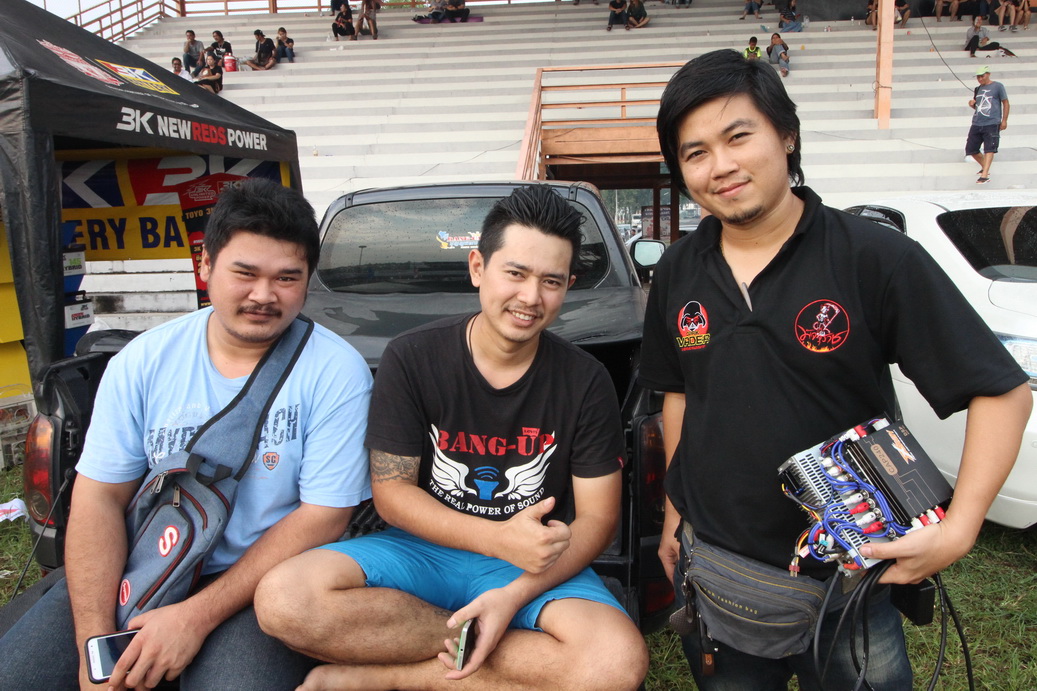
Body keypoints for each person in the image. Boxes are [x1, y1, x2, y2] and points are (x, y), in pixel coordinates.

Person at [644, 49, 1030, 690]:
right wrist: (673, 515)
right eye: (696, 152)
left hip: (853, 578)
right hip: (717, 571)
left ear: (786, 135)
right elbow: (680, 394)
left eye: (738, 136)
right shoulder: (678, 270)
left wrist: (961, 527)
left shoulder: (875, 257)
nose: (721, 166)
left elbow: (1002, 392)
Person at [254, 184, 650, 691]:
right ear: (478, 268)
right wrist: (495, 537)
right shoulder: (412, 357)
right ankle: (490, 652)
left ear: (568, 285)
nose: (531, 297)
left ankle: (386, 678)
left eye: (551, 281)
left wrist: (513, 594)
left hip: (532, 564)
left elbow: (598, 518)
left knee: (616, 664)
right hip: (423, 550)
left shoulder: (585, 379)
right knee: (285, 599)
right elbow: (392, 494)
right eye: (515, 273)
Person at [0, 179, 374, 690]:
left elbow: (322, 516)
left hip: (255, 582)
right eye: (245, 273)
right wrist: (94, 646)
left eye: (287, 278)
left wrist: (194, 618)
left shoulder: (336, 372)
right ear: (206, 265)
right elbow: (99, 497)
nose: (264, 295)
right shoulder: (144, 361)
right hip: (147, 562)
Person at [968, 65, 1009, 184]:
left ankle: (984, 174)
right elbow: (979, 107)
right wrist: (972, 104)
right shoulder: (977, 89)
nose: (980, 79)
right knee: (971, 149)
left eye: (982, 76)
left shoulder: (998, 86)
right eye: (978, 77)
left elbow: (1005, 103)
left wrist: (1004, 120)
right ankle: (985, 168)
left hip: (992, 122)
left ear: (988, 74)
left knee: (989, 148)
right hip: (977, 122)